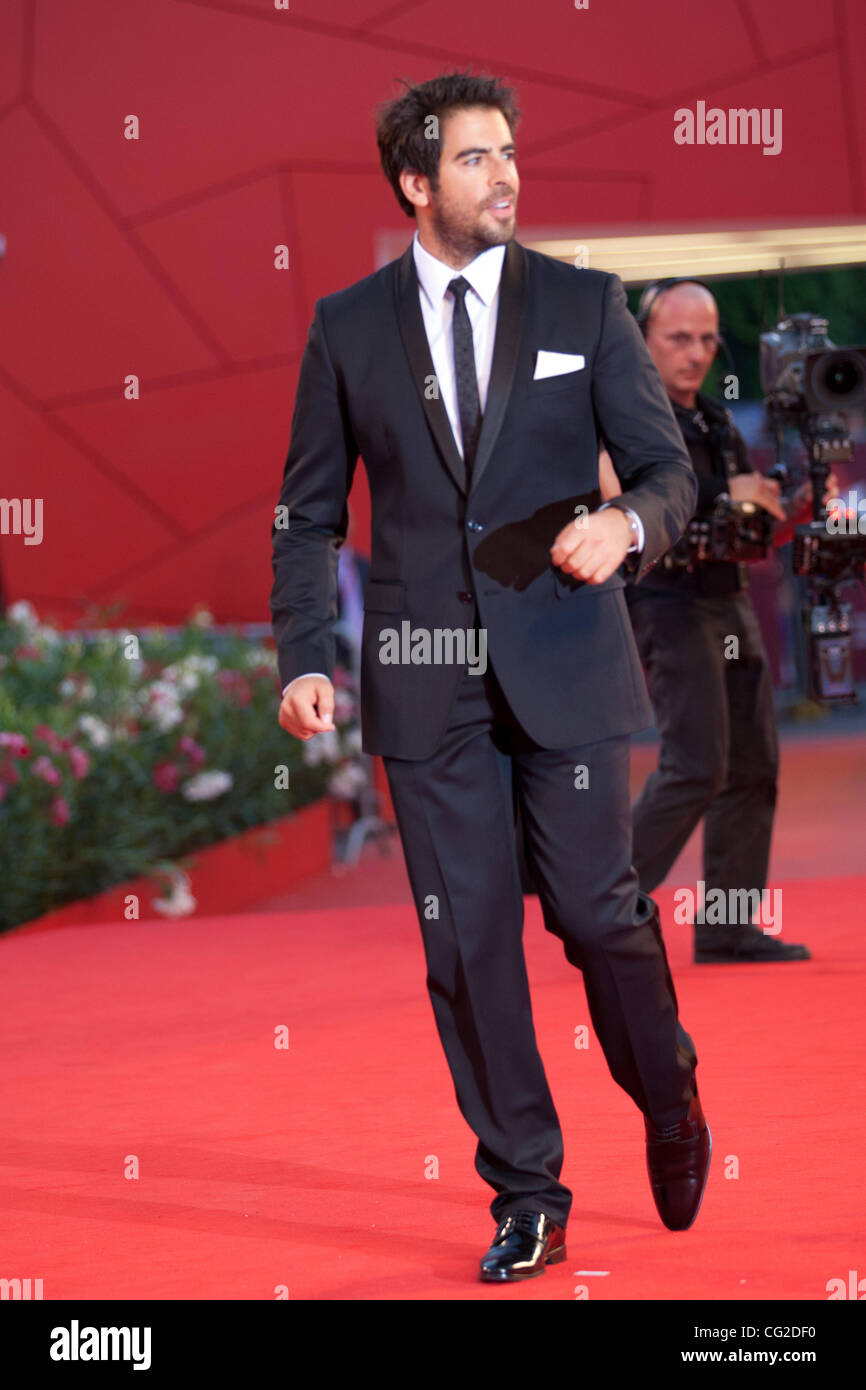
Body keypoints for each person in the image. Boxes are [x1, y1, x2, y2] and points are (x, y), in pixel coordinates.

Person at [270, 71, 710, 1283]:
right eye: (475, 159)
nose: (504, 174)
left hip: (564, 657)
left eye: (509, 153)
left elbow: (667, 472)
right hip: (424, 681)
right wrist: (305, 655)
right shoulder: (345, 327)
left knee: (591, 912)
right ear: (416, 183)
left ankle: (666, 1089)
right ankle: (526, 1189)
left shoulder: (583, 301)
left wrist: (626, 528)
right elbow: (306, 514)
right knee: (465, 946)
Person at [605, 277, 836, 963]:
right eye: (679, 337)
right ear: (643, 340)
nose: (697, 352)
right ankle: (606, 914)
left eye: (708, 338)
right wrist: (724, 490)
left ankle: (727, 924)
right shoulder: (626, 417)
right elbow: (628, 491)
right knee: (696, 766)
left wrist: (792, 504)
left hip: (728, 595)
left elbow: (744, 527)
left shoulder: (714, 419)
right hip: (668, 600)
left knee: (754, 765)